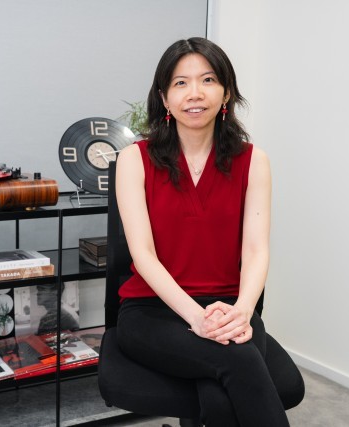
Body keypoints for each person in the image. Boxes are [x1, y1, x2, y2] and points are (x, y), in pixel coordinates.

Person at [115, 38, 290, 426]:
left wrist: (243, 311)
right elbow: (142, 254)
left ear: (226, 92)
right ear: (164, 97)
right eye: (180, 83)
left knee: (221, 397)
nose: (194, 93)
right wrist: (196, 318)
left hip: (230, 306)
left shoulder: (254, 161)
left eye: (208, 80)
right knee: (240, 361)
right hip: (151, 310)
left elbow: (256, 250)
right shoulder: (134, 160)